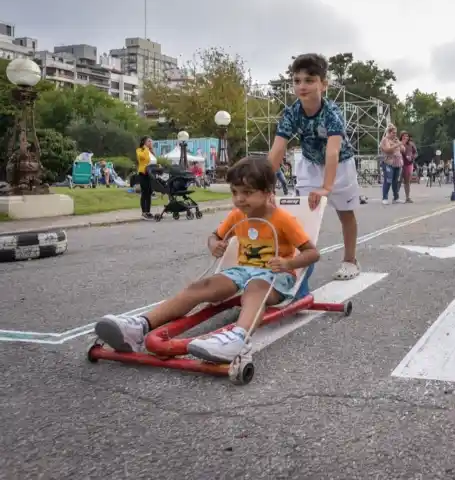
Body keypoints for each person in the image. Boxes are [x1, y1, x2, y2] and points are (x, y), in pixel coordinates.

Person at [92, 157, 320, 363]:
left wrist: (288, 264)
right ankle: (140, 326)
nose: (239, 199)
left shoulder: (283, 220)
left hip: (275, 276)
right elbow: (215, 236)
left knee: (254, 289)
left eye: (247, 193)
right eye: (234, 192)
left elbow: (312, 253)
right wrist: (215, 245)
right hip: (243, 271)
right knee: (199, 286)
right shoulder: (237, 215)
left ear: (268, 190)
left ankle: (238, 339)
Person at [268, 53, 361, 280]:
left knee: (345, 213)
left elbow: (333, 151)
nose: (302, 86)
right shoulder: (291, 113)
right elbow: (278, 148)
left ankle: (350, 260)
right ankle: (295, 265)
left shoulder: (332, 113)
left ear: (323, 84)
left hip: (339, 165)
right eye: (297, 81)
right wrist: (265, 185)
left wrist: (327, 187)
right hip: (310, 164)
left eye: (309, 80)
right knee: (302, 214)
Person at [379, 124, 403, 205]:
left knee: (395, 181)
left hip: (397, 163)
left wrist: (399, 143)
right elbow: (387, 150)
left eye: (396, 133)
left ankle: (396, 198)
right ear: (389, 132)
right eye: (393, 133)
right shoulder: (385, 140)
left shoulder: (395, 140)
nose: (395, 134)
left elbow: (403, 149)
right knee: (388, 180)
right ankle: (385, 198)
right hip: (388, 163)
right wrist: (397, 145)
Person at [135, 136, 157, 221]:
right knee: (144, 192)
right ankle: (144, 212)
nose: (151, 143)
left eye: (151, 141)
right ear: (144, 142)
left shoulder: (151, 151)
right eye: (149, 141)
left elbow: (154, 161)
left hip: (150, 174)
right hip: (143, 173)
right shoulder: (140, 150)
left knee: (149, 192)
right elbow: (142, 157)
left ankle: (148, 211)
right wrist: (146, 148)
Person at [400, 131, 418, 203]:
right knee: (398, 181)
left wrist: (412, 157)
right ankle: (396, 196)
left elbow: (416, 153)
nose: (405, 137)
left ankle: (407, 197)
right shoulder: (399, 144)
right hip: (400, 164)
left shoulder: (411, 144)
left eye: (407, 136)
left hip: (409, 164)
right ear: (401, 137)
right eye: (404, 136)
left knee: (407, 181)